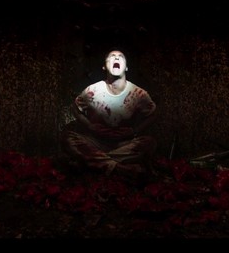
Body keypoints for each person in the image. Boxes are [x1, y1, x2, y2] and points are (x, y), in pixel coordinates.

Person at [60, 49, 158, 181]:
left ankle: (91, 163)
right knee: (68, 138)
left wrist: (134, 131)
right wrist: (89, 126)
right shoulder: (92, 91)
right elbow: (75, 108)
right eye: (112, 56)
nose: (116, 58)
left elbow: (153, 114)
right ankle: (120, 168)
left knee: (149, 143)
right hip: (95, 142)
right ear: (104, 66)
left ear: (126, 67)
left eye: (120, 56)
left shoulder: (139, 94)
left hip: (123, 144)